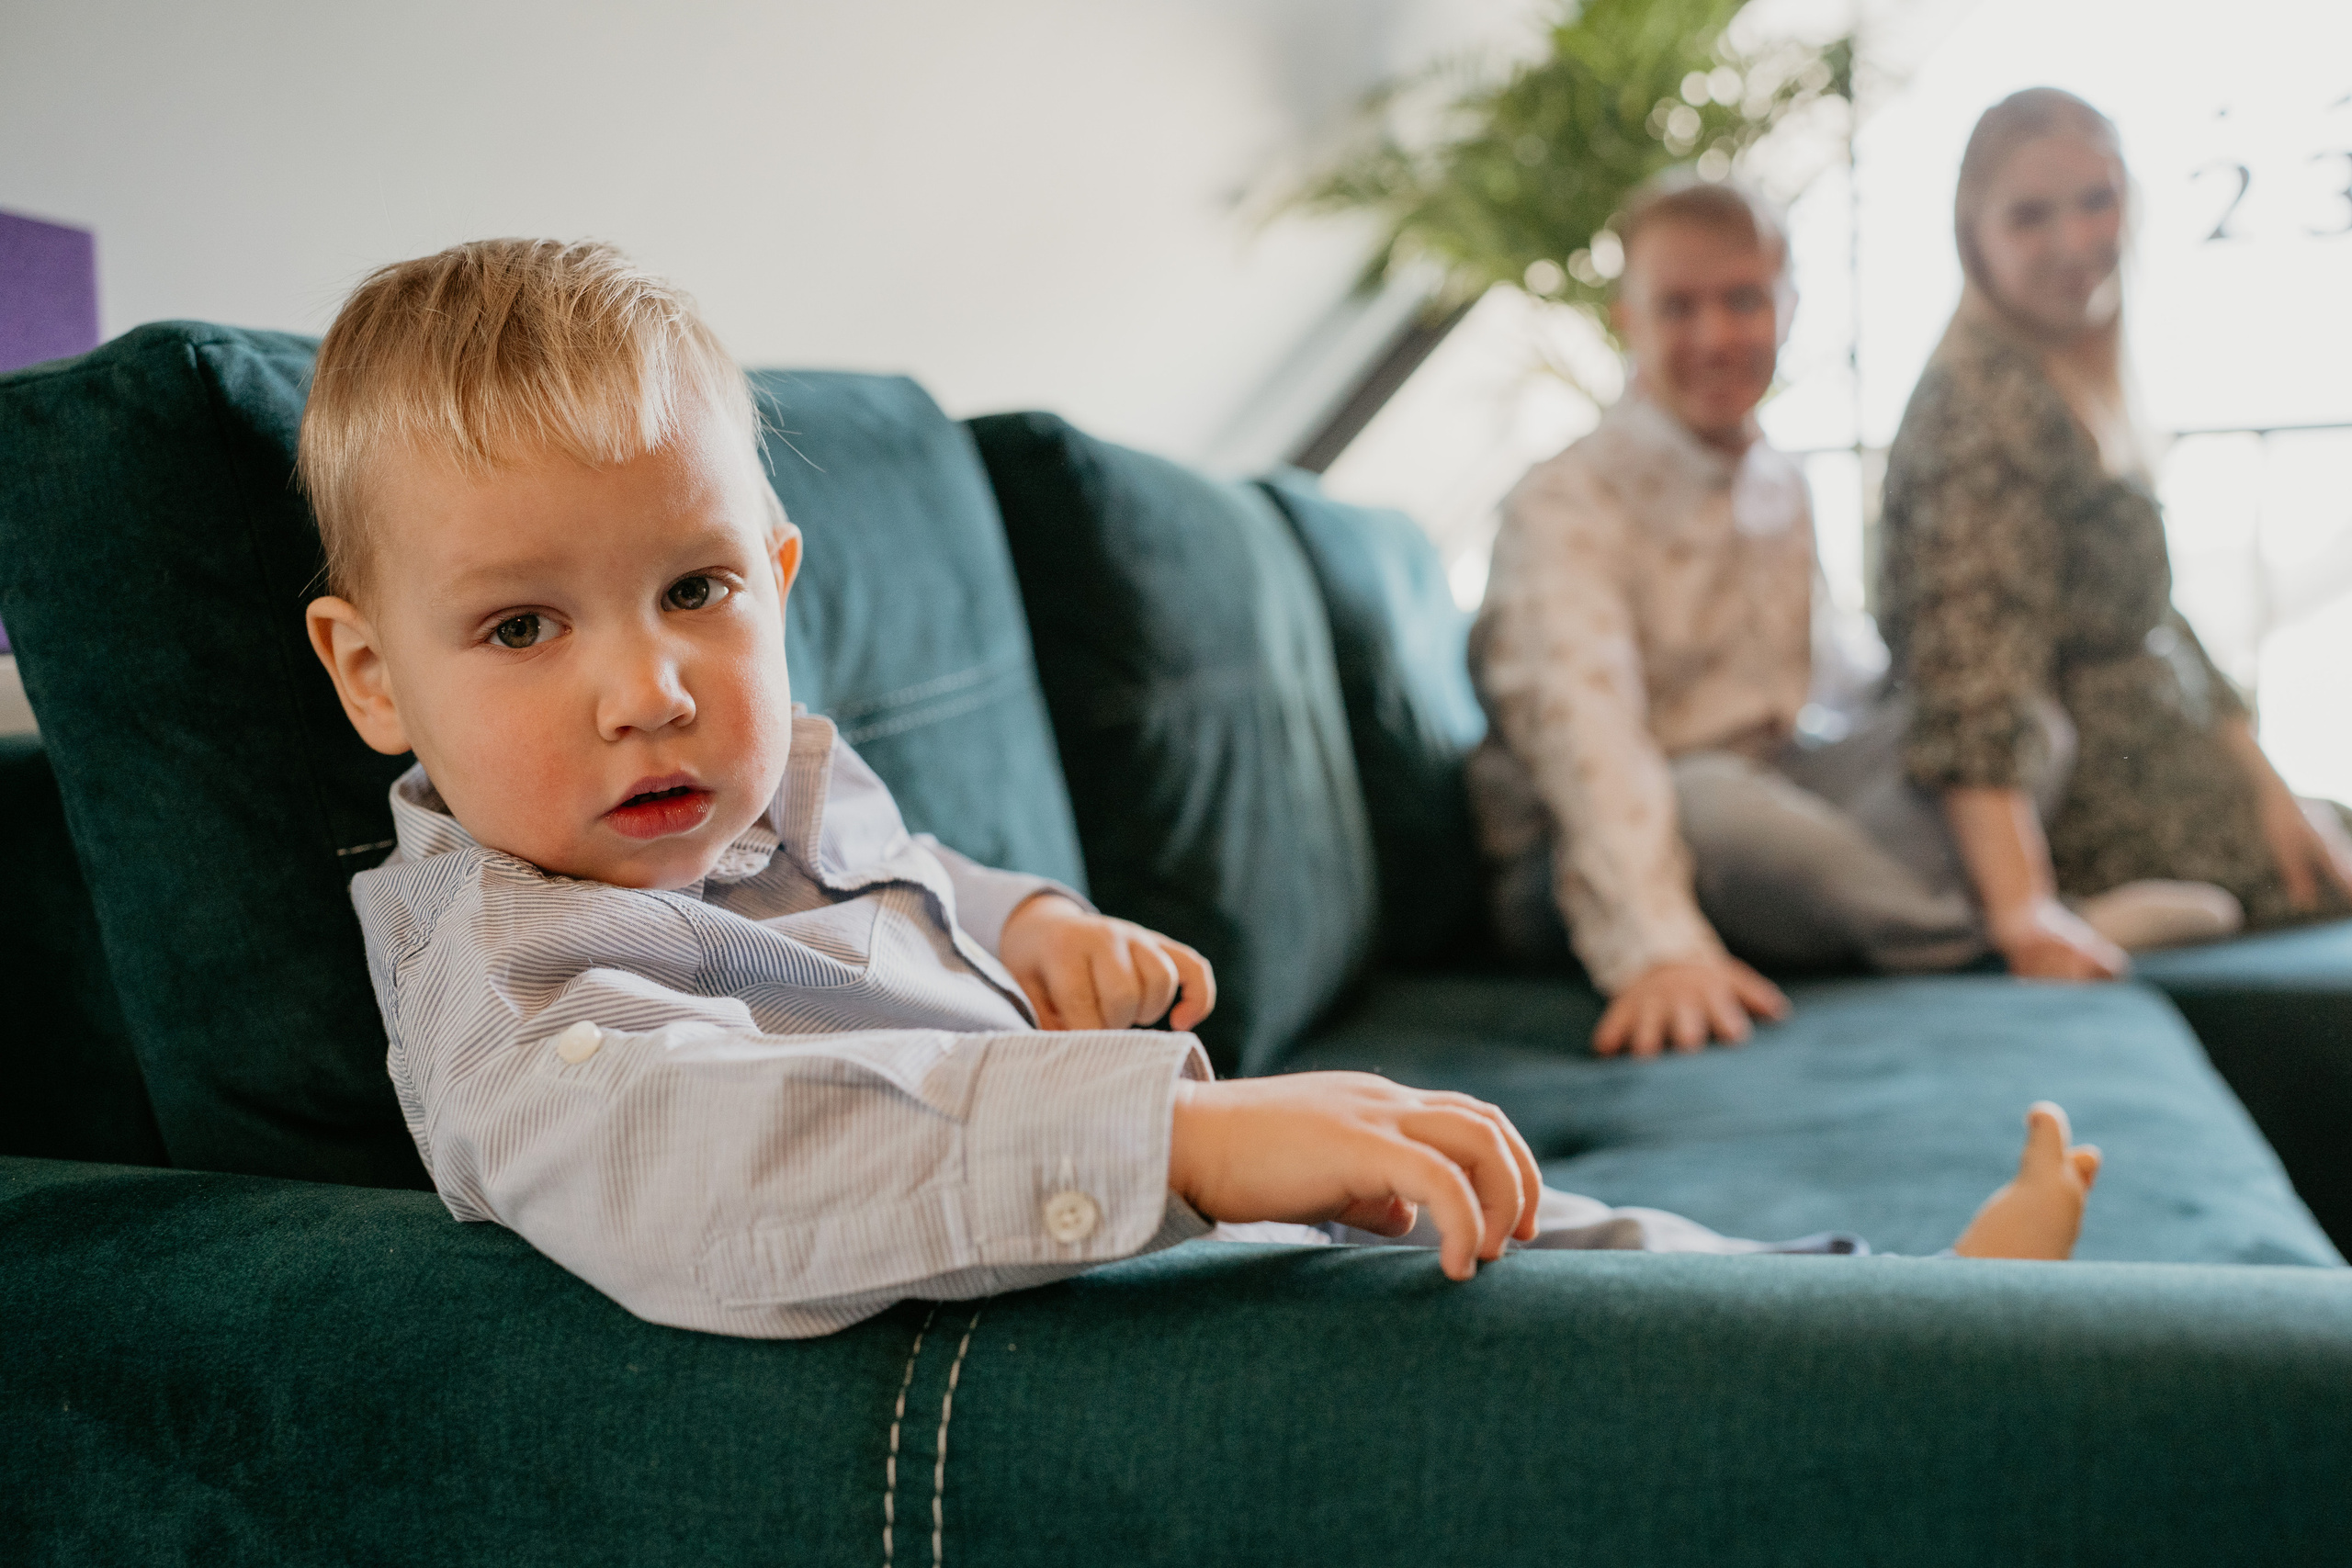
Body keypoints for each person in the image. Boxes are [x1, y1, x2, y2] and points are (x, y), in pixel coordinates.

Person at [297, 239, 2102, 1338]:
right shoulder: (519, 992)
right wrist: (1162, 1132)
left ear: (774, 579)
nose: (649, 687)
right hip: (1063, 1304)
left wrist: (1049, 924)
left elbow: (933, 881)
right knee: (1464, 1272)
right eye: (523, 624)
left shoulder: (768, 800)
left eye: (693, 590)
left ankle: (1856, 1314)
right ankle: (1847, 1369)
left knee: (1507, 1194)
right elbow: (704, 1167)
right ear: (373, 674)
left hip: (1146, 1200)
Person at [1879, 88, 2352, 983]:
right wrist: (2026, 911)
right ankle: (2113, 907)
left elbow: (2157, 613)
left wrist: (2271, 790)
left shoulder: (2069, 372)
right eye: (2029, 216)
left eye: (2094, 200)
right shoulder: (1977, 408)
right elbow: (1967, 683)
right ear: (1970, 232)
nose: (2071, 242)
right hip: (2089, 797)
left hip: (2160, 748)